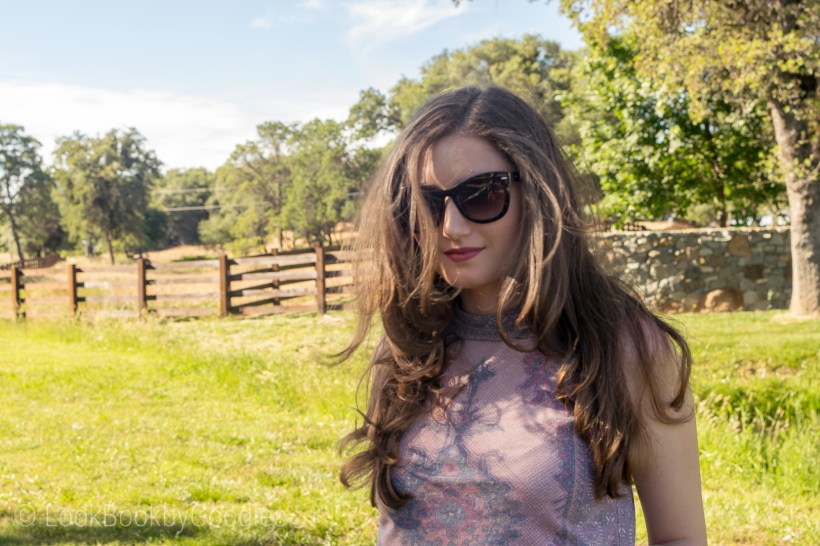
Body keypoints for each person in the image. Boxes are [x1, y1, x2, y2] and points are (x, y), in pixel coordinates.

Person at [338, 86, 708, 545]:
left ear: (536, 191)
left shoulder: (625, 348)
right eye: (426, 203)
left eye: (482, 195)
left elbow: (680, 537)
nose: (451, 227)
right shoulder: (408, 346)